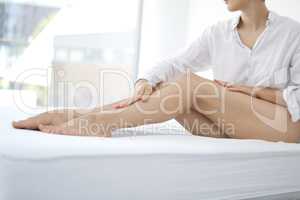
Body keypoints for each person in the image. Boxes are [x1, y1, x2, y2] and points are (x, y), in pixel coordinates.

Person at [13, 0, 300, 143]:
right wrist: (145, 82)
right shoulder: (218, 33)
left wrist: (249, 91)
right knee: (171, 92)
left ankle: (101, 123)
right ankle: (74, 115)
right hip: (231, 126)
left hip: (284, 125)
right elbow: (173, 64)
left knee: (190, 86)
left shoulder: (292, 34)